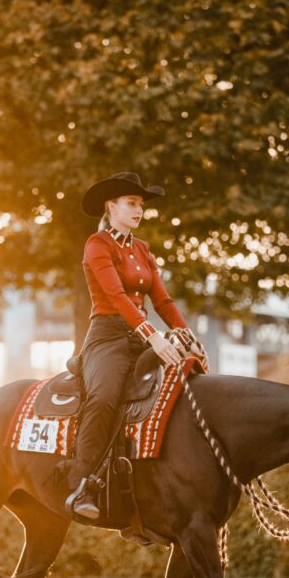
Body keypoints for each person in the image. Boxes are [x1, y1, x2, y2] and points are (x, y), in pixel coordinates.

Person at [64, 171, 190, 521]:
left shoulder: (142, 249)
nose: (139, 210)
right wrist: (154, 336)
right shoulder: (97, 245)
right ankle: (82, 485)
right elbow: (117, 297)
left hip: (140, 336)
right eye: (132, 203)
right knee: (104, 398)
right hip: (107, 336)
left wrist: (187, 336)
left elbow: (163, 301)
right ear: (112, 207)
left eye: (141, 205)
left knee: (182, 387)